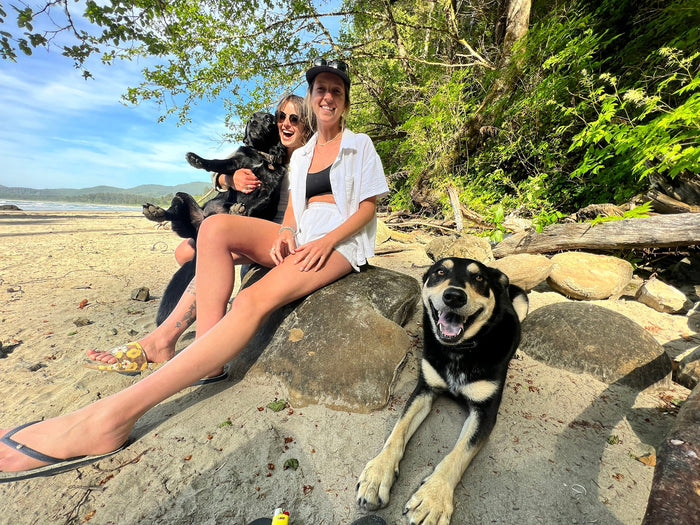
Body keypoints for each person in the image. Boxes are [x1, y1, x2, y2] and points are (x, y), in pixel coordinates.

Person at [0, 58, 390, 478]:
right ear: (312, 97)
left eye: (336, 91)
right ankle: (209, 354)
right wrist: (285, 232)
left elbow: (368, 208)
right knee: (215, 229)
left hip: (338, 242)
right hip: (302, 236)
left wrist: (327, 241)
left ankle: (111, 417)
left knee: (250, 301)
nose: (327, 97)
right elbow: (295, 208)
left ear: (345, 101)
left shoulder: (359, 145)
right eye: (320, 90)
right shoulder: (302, 156)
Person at [85, 94, 311, 377]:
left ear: (307, 124)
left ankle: (165, 341)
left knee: (213, 248)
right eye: (280, 117)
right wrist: (229, 179)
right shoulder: (264, 149)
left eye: (294, 119)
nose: (286, 123)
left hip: (276, 231)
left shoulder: (306, 157)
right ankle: (198, 320)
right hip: (252, 226)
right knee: (183, 252)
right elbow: (220, 174)